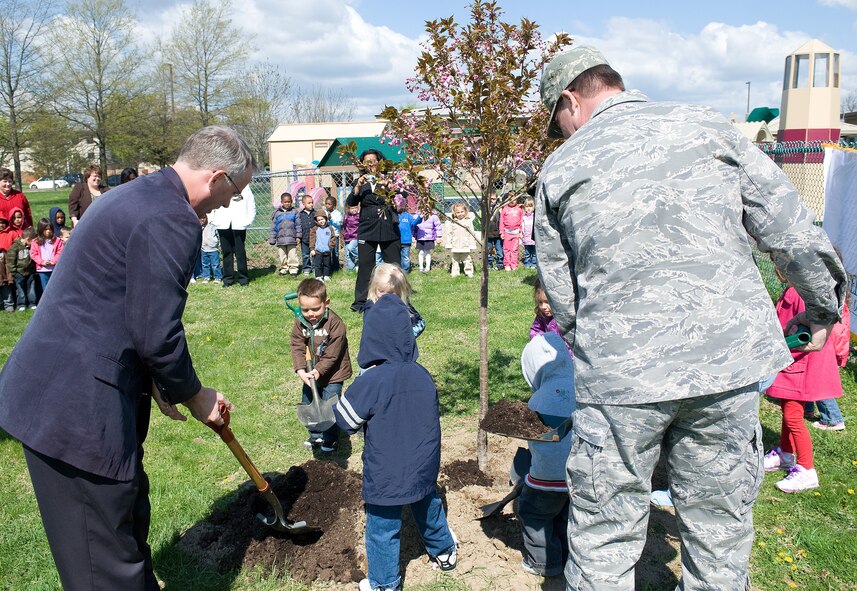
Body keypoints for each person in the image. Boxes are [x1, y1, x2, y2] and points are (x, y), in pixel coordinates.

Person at [535, 46, 846, 590]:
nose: (561, 136)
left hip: (620, 380)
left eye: (557, 123)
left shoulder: (561, 168)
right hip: (725, 369)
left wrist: (608, 352)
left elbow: (564, 301)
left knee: (605, 540)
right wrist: (822, 308)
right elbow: (790, 230)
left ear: (570, 100)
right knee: (718, 536)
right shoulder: (711, 129)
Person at [0, 125, 252, 590]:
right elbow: (157, 333)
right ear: (217, 177)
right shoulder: (171, 218)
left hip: (69, 384)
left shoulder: (136, 194)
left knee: (126, 513)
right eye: (234, 191)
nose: (228, 203)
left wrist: (156, 380)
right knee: (104, 564)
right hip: (72, 407)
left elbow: (122, 305)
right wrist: (197, 396)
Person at [334, 293, 457, 591]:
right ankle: (444, 552)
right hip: (423, 464)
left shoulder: (372, 381)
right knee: (427, 505)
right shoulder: (422, 375)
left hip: (386, 472)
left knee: (382, 528)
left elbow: (346, 421)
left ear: (371, 339)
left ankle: (385, 583)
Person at [763, 266, 844, 492]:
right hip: (795, 366)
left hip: (797, 366)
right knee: (789, 413)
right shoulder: (807, 294)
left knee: (793, 417)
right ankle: (785, 454)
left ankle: (806, 469)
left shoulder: (796, 295)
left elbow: (795, 333)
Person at [517, 333, 575, 577]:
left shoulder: (538, 399)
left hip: (544, 479)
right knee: (564, 515)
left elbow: (535, 441)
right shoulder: (581, 389)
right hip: (575, 475)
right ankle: (563, 553)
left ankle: (542, 563)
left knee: (534, 515)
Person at [290, 277, 352, 452]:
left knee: (329, 406)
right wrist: (301, 370)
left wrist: (318, 370)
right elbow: (297, 345)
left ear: (326, 302)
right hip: (310, 373)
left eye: (316, 309)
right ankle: (315, 434)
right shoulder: (300, 322)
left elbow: (333, 354)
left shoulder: (335, 323)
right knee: (308, 402)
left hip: (333, 374)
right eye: (305, 309)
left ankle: (330, 439)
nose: (311, 314)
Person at [346, 149, 402, 311]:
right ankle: (361, 302)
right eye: (366, 161)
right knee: (365, 265)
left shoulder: (389, 178)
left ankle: (398, 297)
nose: (370, 163)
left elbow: (402, 195)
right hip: (367, 225)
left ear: (380, 161)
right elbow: (351, 201)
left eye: (373, 160)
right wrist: (357, 187)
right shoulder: (360, 180)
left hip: (388, 224)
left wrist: (389, 186)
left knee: (394, 265)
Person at [804, 247, 851, 431]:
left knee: (819, 383)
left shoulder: (826, 293)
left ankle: (833, 418)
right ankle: (807, 407)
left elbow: (835, 328)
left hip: (826, 346)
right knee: (811, 377)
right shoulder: (836, 287)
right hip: (826, 344)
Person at [208, 180, 256, 288]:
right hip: (222, 223)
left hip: (239, 224)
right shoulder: (219, 186)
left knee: (240, 252)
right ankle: (228, 279)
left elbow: (251, 203)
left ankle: (243, 278)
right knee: (226, 253)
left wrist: (248, 221)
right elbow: (212, 201)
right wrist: (212, 220)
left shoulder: (244, 186)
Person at [365, 262, 425, 339]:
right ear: (374, 287)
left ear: (400, 292)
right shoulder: (371, 307)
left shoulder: (402, 305)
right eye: (381, 291)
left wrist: (408, 335)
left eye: (390, 293)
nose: (384, 296)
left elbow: (420, 322)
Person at [268, 191, 302, 276]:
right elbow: (273, 227)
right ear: (281, 202)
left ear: (291, 201)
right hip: (280, 239)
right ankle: (284, 268)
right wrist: (272, 238)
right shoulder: (277, 213)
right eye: (285, 202)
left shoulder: (295, 212)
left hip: (291, 239)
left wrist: (298, 236)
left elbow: (298, 225)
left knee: (292, 255)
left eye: (289, 201)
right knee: (282, 255)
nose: (287, 203)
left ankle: (293, 269)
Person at [444, 201, 477, 278]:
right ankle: (455, 272)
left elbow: (472, 233)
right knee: (455, 259)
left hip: (465, 244)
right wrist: (449, 243)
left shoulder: (468, 221)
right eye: (458, 212)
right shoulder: (453, 222)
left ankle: (468, 271)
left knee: (467, 259)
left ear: (465, 211)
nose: (460, 214)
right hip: (455, 244)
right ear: (455, 213)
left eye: (462, 211)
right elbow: (449, 233)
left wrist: (472, 244)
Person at [7, 226, 37, 310]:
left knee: (31, 288)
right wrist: (14, 272)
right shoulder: (14, 247)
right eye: (33, 241)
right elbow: (10, 261)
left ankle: (32, 303)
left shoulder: (31, 247)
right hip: (19, 273)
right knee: (20, 290)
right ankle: (21, 304)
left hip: (30, 272)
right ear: (28, 239)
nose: (35, 243)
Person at [30, 218, 64, 291]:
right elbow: (33, 254)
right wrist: (42, 262)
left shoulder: (57, 240)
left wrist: (53, 261)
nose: (48, 231)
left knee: (56, 287)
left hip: (55, 268)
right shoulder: (35, 242)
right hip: (42, 269)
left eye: (50, 229)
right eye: (45, 229)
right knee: (45, 288)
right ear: (40, 230)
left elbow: (60, 252)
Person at [394, 196, 421, 273]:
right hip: (396, 240)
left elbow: (414, 223)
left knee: (405, 257)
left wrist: (420, 217)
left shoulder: (407, 215)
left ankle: (405, 271)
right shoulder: (394, 214)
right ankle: (397, 270)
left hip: (406, 241)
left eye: (398, 205)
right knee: (396, 256)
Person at [310, 209, 336, 282]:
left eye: (322, 219)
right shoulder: (315, 229)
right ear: (316, 221)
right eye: (319, 220)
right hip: (317, 250)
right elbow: (312, 239)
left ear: (326, 219)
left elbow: (333, 238)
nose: (321, 221)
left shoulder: (330, 228)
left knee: (327, 264)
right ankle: (318, 276)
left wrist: (330, 246)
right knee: (318, 264)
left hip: (327, 250)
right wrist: (312, 249)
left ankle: (326, 275)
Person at [499, 193, 523, 271]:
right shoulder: (505, 209)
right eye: (510, 199)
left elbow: (521, 221)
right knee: (506, 249)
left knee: (514, 249)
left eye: (514, 199)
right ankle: (507, 264)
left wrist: (521, 231)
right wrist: (502, 232)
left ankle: (514, 265)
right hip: (507, 232)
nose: (512, 201)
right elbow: (502, 221)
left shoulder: (519, 209)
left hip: (516, 233)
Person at [196, 213, 222, 282]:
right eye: (200, 218)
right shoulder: (199, 227)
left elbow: (218, 235)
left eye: (204, 218)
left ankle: (218, 277)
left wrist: (218, 243)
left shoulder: (212, 226)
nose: (202, 220)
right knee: (205, 264)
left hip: (213, 249)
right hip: (204, 249)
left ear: (207, 218)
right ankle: (206, 277)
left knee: (215, 264)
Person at [415, 208, 442, 273]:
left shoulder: (434, 216)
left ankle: (427, 267)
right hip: (420, 237)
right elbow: (414, 226)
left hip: (429, 238)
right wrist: (414, 236)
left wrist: (439, 236)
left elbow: (438, 227)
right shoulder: (417, 216)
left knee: (427, 252)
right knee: (421, 252)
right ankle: (421, 267)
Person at [298, 193, 316, 275]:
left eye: (312, 202)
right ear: (303, 204)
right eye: (309, 203)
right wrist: (298, 237)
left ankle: (315, 267)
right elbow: (298, 226)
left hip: (314, 238)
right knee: (305, 254)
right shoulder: (300, 214)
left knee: (315, 254)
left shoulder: (315, 213)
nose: (311, 204)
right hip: (304, 238)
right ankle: (306, 268)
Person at [325, 195, 343, 272]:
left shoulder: (337, 213)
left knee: (335, 251)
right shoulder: (325, 212)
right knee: (327, 250)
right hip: (326, 235)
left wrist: (331, 219)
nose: (327, 205)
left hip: (335, 235)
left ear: (334, 205)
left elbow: (339, 223)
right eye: (326, 204)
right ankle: (327, 266)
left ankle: (336, 267)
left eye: (329, 204)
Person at [485, 193, 503, 271]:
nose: (492, 201)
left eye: (493, 199)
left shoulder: (499, 208)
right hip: (488, 233)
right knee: (488, 249)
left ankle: (499, 263)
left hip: (497, 233)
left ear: (497, 199)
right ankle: (489, 263)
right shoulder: (485, 208)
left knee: (499, 249)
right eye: (490, 199)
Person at [342, 203, 360, 272]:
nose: (354, 210)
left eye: (355, 208)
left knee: (351, 248)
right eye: (352, 208)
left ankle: (360, 257)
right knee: (348, 255)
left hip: (356, 236)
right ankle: (351, 270)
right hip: (347, 237)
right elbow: (344, 225)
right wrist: (344, 234)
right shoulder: (346, 216)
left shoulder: (359, 216)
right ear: (348, 209)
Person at [521, 197, 536, 269]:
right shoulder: (523, 217)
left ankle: (534, 263)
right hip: (526, 238)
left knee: (534, 253)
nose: (529, 208)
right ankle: (527, 263)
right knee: (527, 253)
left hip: (534, 239)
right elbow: (522, 226)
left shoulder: (535, 217)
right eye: (527, 206)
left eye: (530, 206)